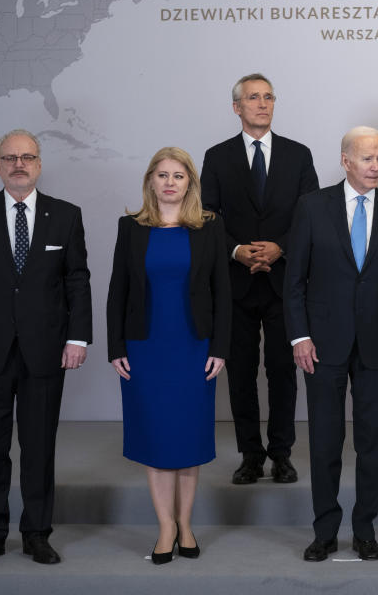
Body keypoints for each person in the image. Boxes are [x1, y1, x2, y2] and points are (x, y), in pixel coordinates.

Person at [285, 127, 378, 562]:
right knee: (324, 441)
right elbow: (294, 282)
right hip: (321, 346)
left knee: (373, 442)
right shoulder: (311, 207)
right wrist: (300, 335)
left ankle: (365, 530)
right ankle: (325, 531)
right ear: (345, 161)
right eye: (366, 159)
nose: (376, 166)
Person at [0, 129, 92, 565]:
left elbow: (77, 278)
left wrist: (77, 337)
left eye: (27, 157)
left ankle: (37, 532)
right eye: (9, 158)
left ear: (39, 164)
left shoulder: (65, 215)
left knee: (39, 445)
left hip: (46, 347)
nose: (18, 164)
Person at [106, 147, 231, 565]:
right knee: (157, 438)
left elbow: (223, 296)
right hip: (145, 348)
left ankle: (186, 524)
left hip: (194, 347)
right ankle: (165, 528)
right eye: (163, 175)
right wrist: (115, 347)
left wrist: (220, 348)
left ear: (190, 183)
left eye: (179, 175)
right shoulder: (131, 228)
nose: (170, 182)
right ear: (150, 182)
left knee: (188, 439)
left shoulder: (210, 227)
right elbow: (117, 291)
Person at [201, 73, 319, 485]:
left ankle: (282, 453)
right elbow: (207, 216)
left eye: (268, 97)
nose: (262, 104)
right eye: (253, 98)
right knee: (241, 372)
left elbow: (312, 215)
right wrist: (237, 250)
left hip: (286, 280)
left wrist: (279, 247)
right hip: (236, 280)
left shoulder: (298, 155)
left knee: (284, 370)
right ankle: (250, 454)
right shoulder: (217, 157)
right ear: (237, 107)